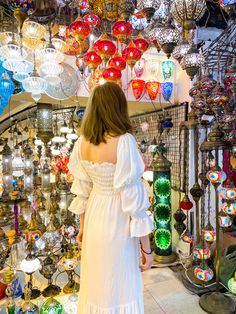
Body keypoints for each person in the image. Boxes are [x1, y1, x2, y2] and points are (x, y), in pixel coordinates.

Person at [68, 82, 154, 314]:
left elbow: (82, 192)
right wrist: (146, 250)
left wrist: (83, 228)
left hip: (95, 216)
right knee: (119, 282)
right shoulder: (124, 141)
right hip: (118, 220)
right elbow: (134, 204)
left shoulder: (82, 143)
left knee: (96, 281)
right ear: (118, 107)